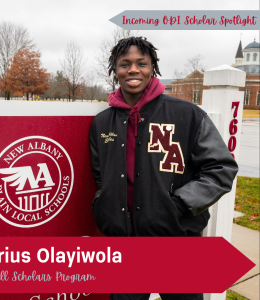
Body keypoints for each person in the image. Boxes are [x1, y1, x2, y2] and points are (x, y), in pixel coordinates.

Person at [89, 37, 238, 300]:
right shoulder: (102, 123)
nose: (133, 70)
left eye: (141, 63)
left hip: (176, 241)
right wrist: (105, 203)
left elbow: (221, 168)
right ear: (115, 70)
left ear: (152, 68)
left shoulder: (187, 114)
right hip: (126, 243)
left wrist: (178, 205)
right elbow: (101, 174)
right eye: (125, 64)